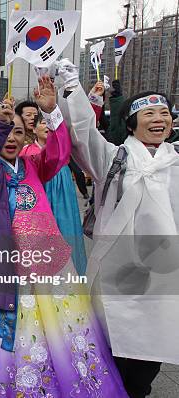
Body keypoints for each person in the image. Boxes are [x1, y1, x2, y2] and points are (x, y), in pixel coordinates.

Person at [0, 76, 128, 397]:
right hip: (3, 264)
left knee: (65, 327)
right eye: (6, 132)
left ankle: (75, 379)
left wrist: (52, 112)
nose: (12, 137)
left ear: (27, 140)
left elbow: (59, 154)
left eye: (18, 132)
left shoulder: (33, 164)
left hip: (47, 259)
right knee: (14, 329)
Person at [58, 58, 179, 398]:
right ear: (131, 123)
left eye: (164, 114)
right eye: (150, 114)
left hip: (163, 282)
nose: (159, 120)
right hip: (116, 282)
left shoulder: (175, 164)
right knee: (112, 365)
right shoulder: (114, 160)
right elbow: (82, 136)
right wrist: (72, 87)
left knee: (146, 368)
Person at [21, 113, 88, 276]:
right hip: (40, 199)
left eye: (50, 124)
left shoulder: (62, 153)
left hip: (63, 198)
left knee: (66, 234)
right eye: (43, 123)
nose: (47, 127)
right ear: (34, 128)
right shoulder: (25, 153)